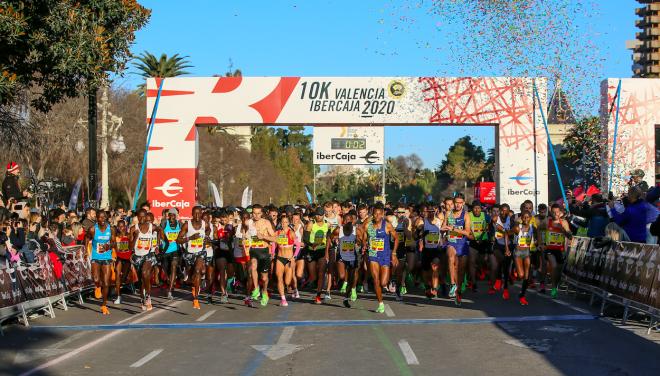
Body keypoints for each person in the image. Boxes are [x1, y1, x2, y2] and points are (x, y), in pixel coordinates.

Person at [360, 203, 398, 313]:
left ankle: (388, 282)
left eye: (379, 214)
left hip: (385, 256)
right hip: (373, 255)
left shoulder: (387, 225)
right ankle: (380, 304)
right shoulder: (368, 225)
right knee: (376, 280)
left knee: (383, 283)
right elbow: (364, 237)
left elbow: (396, 238)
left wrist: (394, 253)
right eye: (375, 214)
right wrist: (364, 244)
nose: (376, 216)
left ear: (382, 214)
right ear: (373, 214)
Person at [177, 206, 211, 309]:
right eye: (195, 213)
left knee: (198, 271)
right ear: (192, 213)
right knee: (192, 276)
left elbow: (208, 230)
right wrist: (190, 238)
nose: (197, 216)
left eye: (199, 213)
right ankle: (193, 284)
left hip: (200, 252)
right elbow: (178, 240)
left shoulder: (205, 224)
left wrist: (206, 237)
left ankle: (195, 299)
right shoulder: (187, 225)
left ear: (201, 214)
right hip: (189, 254)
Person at [538, 204, 571, 298]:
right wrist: (541, 243)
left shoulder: (563, 222)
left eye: (557, 212)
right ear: (551, 212)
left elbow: (569, 235)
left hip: (560, 250)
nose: (555, 214)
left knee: (559, 272)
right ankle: (553, 288)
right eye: (553, 212)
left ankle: (555, 285)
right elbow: (539, 230)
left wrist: (563, 230)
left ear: (560, 212)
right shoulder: (546, 221)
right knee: (554, 266)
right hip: (549, 249)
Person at [86, 211, 116, 315]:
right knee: (96, 278)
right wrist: (86, 250)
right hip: (95, 256)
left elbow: (114, 242)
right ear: (97, 218)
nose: (102, 220)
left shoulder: (111, 229)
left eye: (104, 217)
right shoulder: (93, 229)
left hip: (107, 256)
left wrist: (109, 246)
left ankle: (104, 305)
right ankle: (97, 286)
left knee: (107, 282)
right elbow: (87, 238)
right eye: (100, 218)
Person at [247, 204, 277, 306]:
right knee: (253, 266)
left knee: (264, 278)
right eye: (254, 213)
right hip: (254, 250)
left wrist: (263, 236)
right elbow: (245, 235)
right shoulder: (249, 223)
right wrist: (244, 240)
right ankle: (256, 289)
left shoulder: (266, 223)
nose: (256, 216)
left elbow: (275, 238)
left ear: (262, 213)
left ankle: (264, 292)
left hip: (264, 251)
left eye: (258, 213)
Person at [444, 194, 471, 305]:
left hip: (462, 244)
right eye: (456, 202)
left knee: (459, 270)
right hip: (452, 242)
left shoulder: (466, 215)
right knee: (450, 257)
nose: (458, 204)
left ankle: (458, 292)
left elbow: (467, 232)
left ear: (463, 203)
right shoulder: (449, 213)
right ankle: (452, 284)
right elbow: (443, 226)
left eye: (460, 202)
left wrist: (454, 229)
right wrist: (442, 230)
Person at [130, 209, 159, 311]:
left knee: (145, 273)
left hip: (148, 255)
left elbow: (160, 232)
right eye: (139, 217)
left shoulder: (152, 227)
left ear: (147, 217)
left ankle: (148, 295)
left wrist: (157, 245)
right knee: (141, 280)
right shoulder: (133, 229)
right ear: (137, 217)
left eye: (144, 217)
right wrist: (136, 236)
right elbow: (130, 247)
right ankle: (142, 298)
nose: (142, 219)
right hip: (137, 256)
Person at [510, 211, 539, 305]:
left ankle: (522, 295)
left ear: (530, 218)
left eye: (528, 218)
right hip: (518, 252)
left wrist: (538, 243)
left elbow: (537, 237)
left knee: (526, 276)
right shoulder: (518, 228)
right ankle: (513, 269)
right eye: (524, 218)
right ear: (521, 218)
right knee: (521, 275)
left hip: (527, 252)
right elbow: (507, 234)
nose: (526, 219)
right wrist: (507, 247)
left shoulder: (533, 228)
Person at [416, 203, 444, 298]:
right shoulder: (423, 221)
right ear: (426, 212)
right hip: (426, 250)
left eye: (433, 211)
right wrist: (421, 232)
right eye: (429, 211)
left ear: (435, 211)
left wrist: (442, 244)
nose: (431, 213)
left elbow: (442, 233)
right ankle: (428, 287)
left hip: (436, 250)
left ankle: (435, 289)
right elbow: (417, 233)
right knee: (425, 271)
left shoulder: (439, 222)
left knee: (435, 268)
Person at [273, 215, 300, 307]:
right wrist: (273, 253)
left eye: (286, 222)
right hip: (280, 258)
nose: (284, 224)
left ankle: (291, 289)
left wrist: (294, 256)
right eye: (282, 222)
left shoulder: (291, 233)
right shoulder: (278, 232)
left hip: (288, 259)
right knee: (279, 278)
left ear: (288, 223)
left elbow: (298, 245)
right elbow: (274, 243)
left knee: (287, 281)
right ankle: (283, 299)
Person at [306, 207, 330, 304]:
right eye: (316, 214)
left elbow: (328, 239)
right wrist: (312, 245)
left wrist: (327, 252)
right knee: (313, 276)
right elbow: (305, 238)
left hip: (322, 250)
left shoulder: (327, 224)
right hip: (311, 250)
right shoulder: (311, 224)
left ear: (323, 215)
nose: (318, 216)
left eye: (320, 215)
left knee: (321, 273)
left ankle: (318, 296)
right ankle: (315, 284)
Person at [468, 200, 489, 293]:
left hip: (483, 241)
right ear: (472, 209)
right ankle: (473, 283)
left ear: (481, 209)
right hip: (472, 241)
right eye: (475, 208)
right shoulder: (468, 215)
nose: (477, 210)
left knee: (482, 260)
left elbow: (491, 224)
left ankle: (480, 270)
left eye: (478, 208)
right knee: (472, 262)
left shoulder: (485, 216)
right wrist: (472, 237)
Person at [161, 208, 181, 300]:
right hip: (165, 251)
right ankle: (171, 281)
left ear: (176, 216)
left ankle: (169, 291)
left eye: (174, 215)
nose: (172, 217)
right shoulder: (164, 223)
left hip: (176, 250)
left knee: (173, 266)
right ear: (168, 216)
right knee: (166, 269)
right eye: (170, 215)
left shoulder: (179, 224)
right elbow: (159, 233)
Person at [113, 219, 132, 305]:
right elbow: (113, 246)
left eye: (122, 226)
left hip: (127, 259)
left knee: (123, 278)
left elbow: (132, 245)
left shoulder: (128, 235)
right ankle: (118, 296)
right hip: (119, 258)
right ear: (117, 227)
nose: (121, 228)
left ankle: (121, 288)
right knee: (117, 273)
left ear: (125, 226)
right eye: (119, 226)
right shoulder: (116, 236)